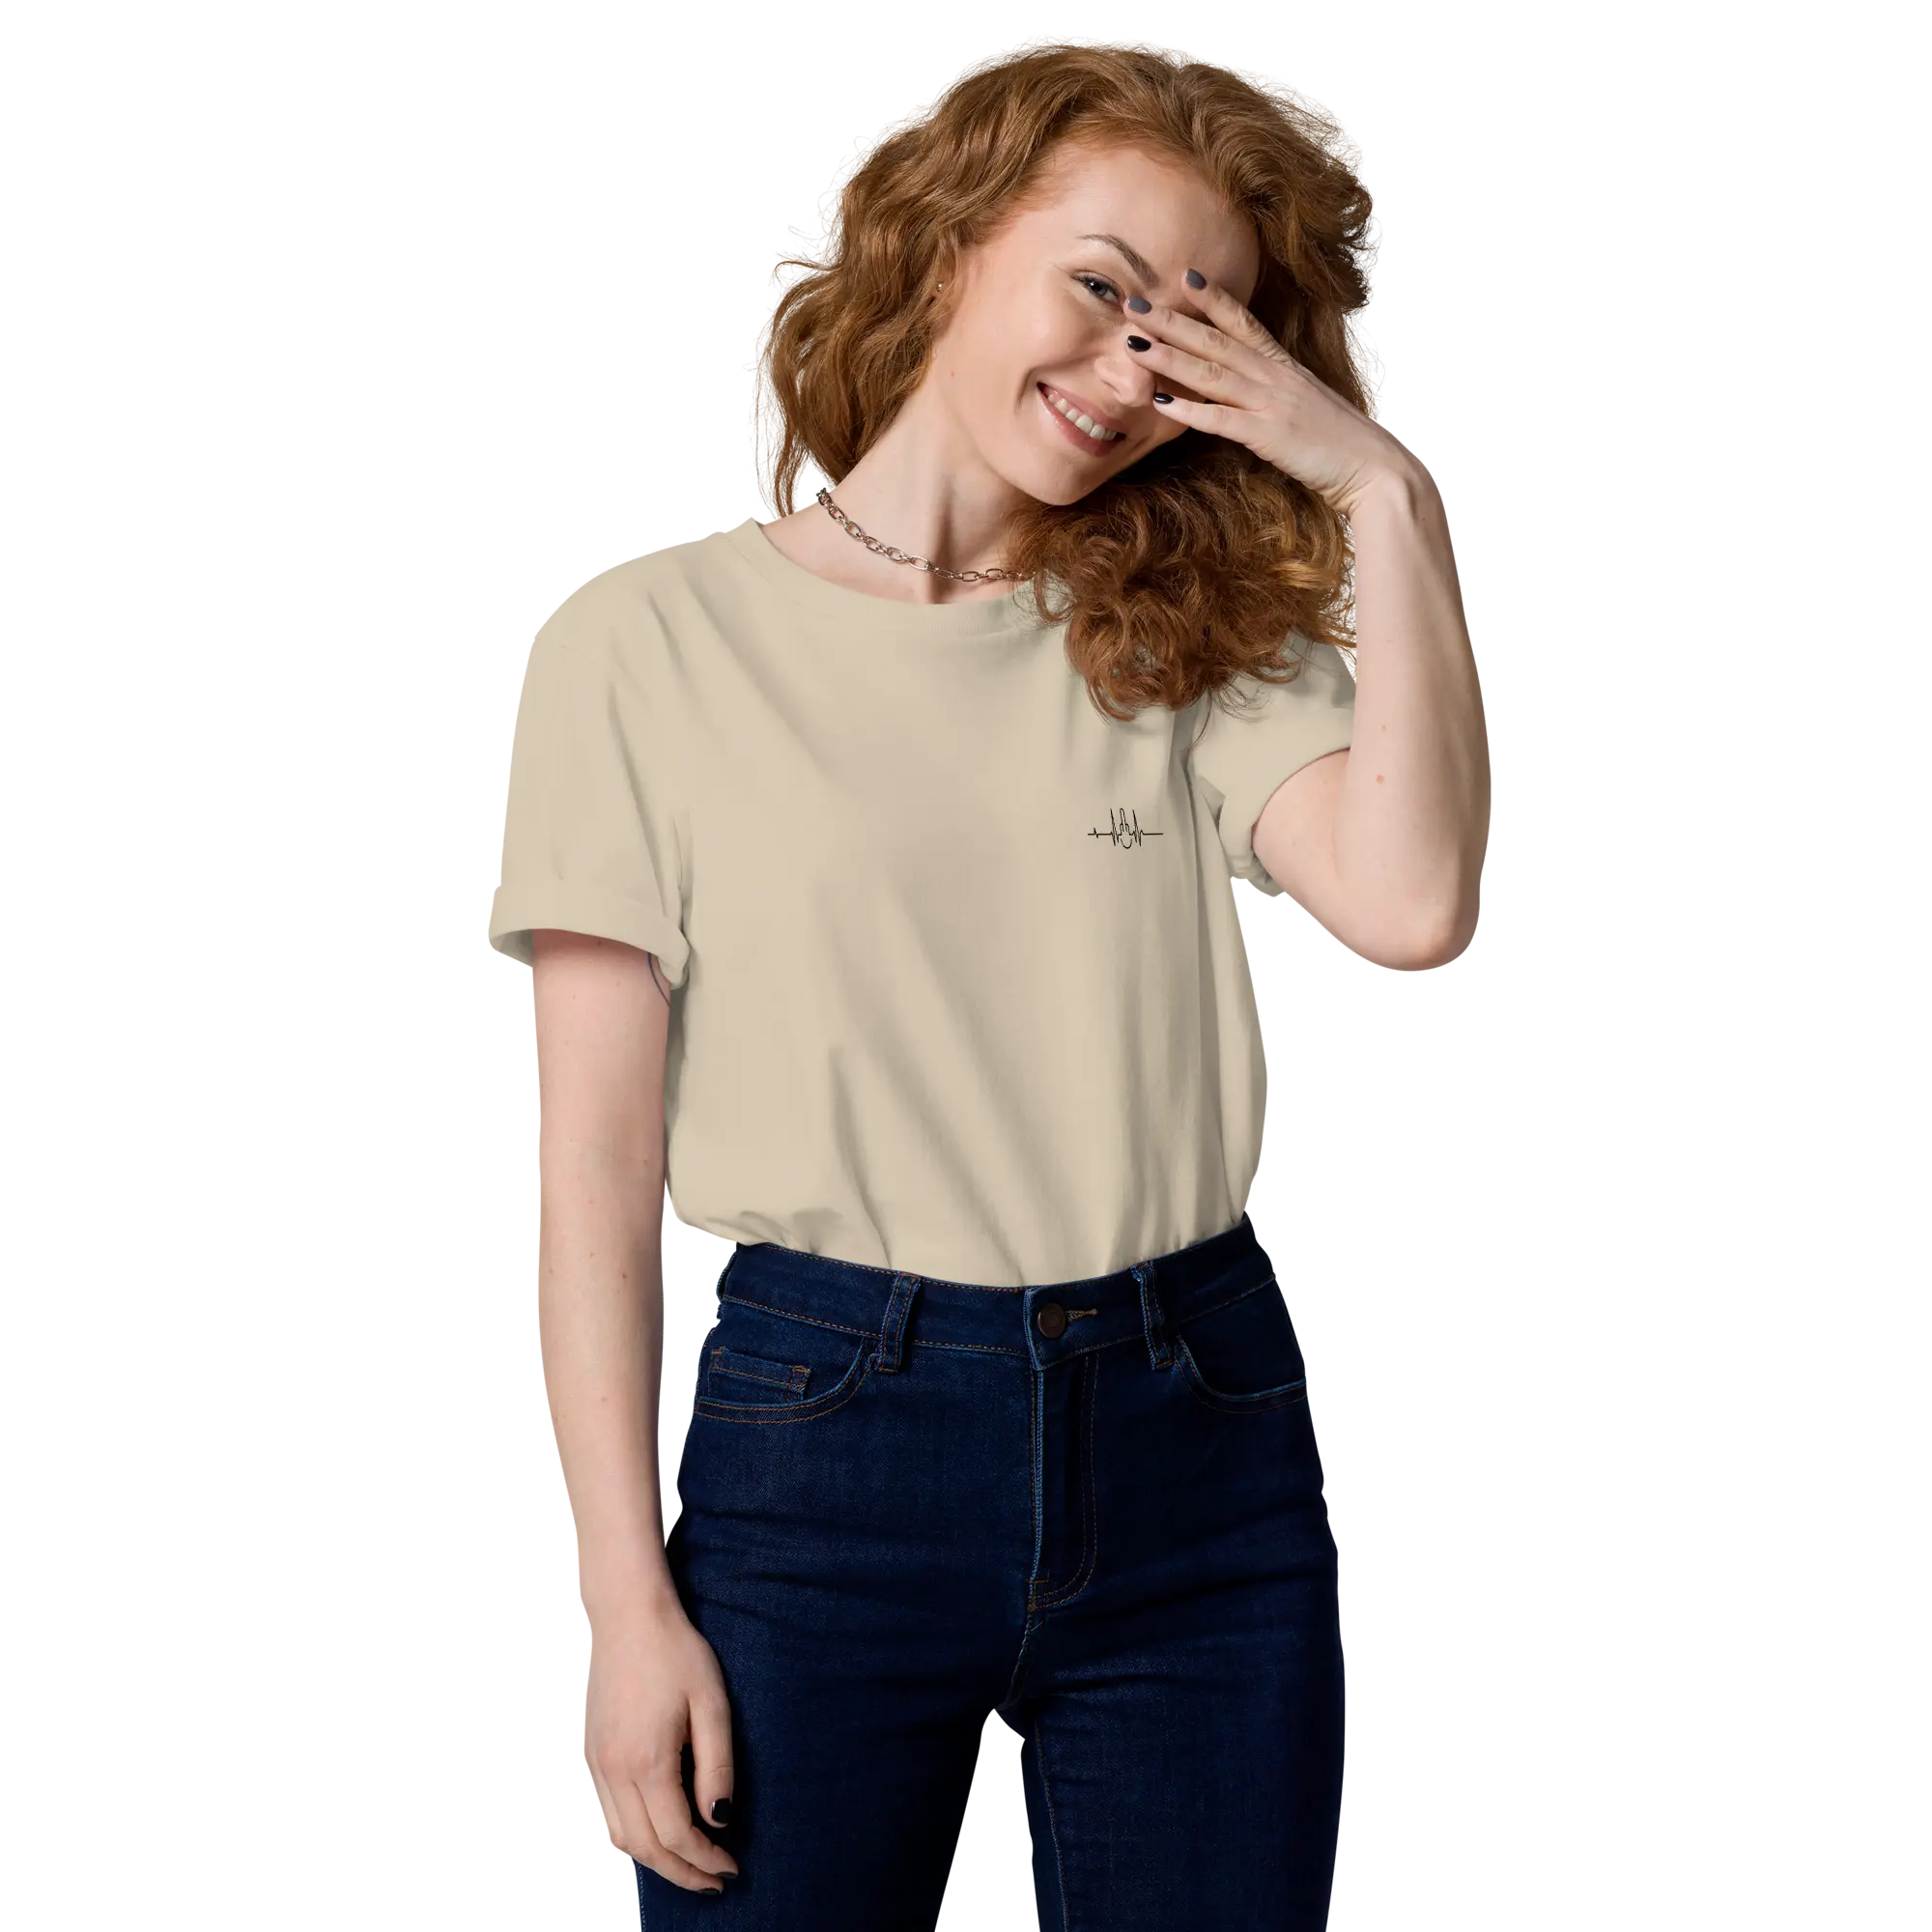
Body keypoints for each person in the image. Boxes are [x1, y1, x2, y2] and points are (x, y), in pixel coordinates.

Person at [488, 36, 1378, 1929]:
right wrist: (624, 1607)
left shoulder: (1186, 634)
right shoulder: (642, 641)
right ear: (948, 236)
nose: (1134, 366)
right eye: (1103, 288)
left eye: (1197, 330)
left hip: (1201, 1426)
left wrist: (1384, 493)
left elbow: (1415, 908)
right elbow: (591, 1170)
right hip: (822, 1446)